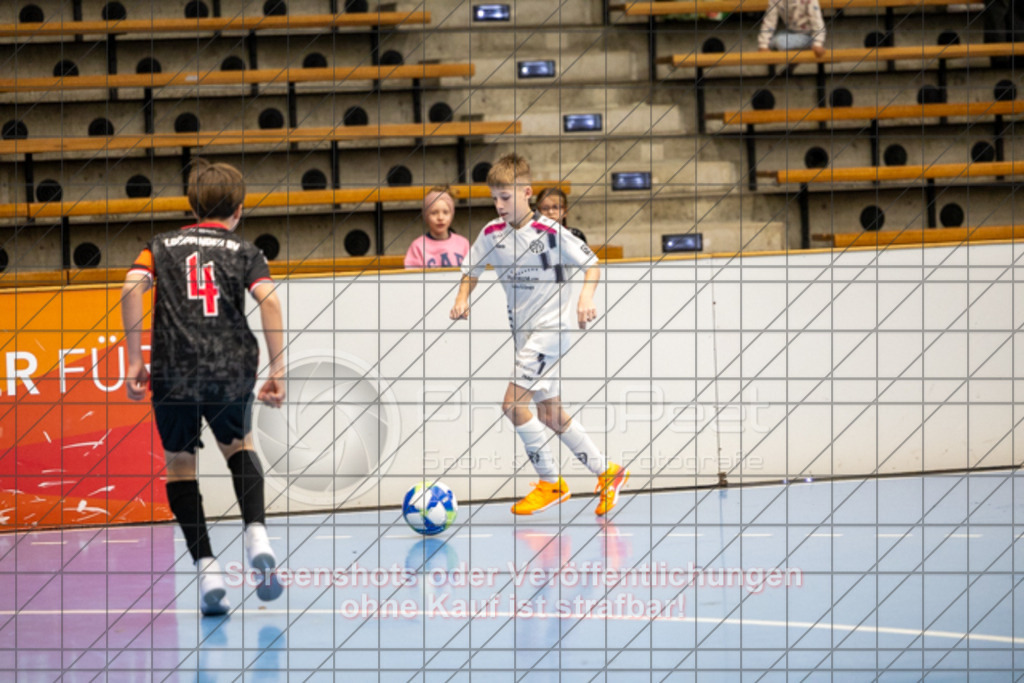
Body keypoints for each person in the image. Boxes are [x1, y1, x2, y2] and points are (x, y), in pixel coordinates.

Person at [121, 159, 286, 616]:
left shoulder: (158, 246)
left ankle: (208, 568)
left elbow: (131, 287)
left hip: (174, 368)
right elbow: (269, 302)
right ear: (238, 208)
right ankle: (257, 536)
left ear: (193, 206)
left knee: (180, 467)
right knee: (240, 446)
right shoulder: (245, 250)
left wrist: (136, 359)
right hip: (230, 364)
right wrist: (279, 369)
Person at [450, 153, 629, 516]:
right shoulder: (490, 234)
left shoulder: (551, 233)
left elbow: (591, 265)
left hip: (552, 330)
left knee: (513, 406)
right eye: (494, 198)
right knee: (551, 415)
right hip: (524, 336)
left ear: (526, 192)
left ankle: (550, 482)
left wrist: (585, 298)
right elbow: (471, 270)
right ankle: (608, 472)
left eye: (506, 197)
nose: (499, 205)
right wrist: (462, 298)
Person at [404, 185, 470, 268]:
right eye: (434, 213)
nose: (440, 218)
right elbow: (412, 278)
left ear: (451, 215)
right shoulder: (417, 246)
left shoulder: (463, 244)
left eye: (445, 212)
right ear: (426, 216)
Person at [757, 0, 827, 57]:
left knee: (778, 42)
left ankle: (808, 46)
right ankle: (792, 64)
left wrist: (818, 43)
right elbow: (769, 21)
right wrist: (763, 45)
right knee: (770, 42)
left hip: (809, 34)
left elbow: (817, 20)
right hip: (791, 32)